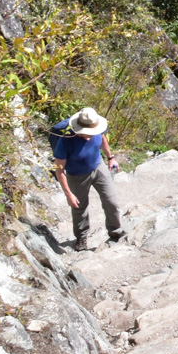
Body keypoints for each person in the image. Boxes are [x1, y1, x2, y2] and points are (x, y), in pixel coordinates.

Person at [49, 107, 124, 252]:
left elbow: (102, 139)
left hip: (98, 167)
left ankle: (116, 231)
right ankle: (81, 238)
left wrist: (110, 158)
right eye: (86, 132)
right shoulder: (65, 141)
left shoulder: (96, 128)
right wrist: (68, 194)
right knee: (79, 208)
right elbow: (59, 169)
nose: (90, 135)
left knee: (111, 201)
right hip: (76, 175)